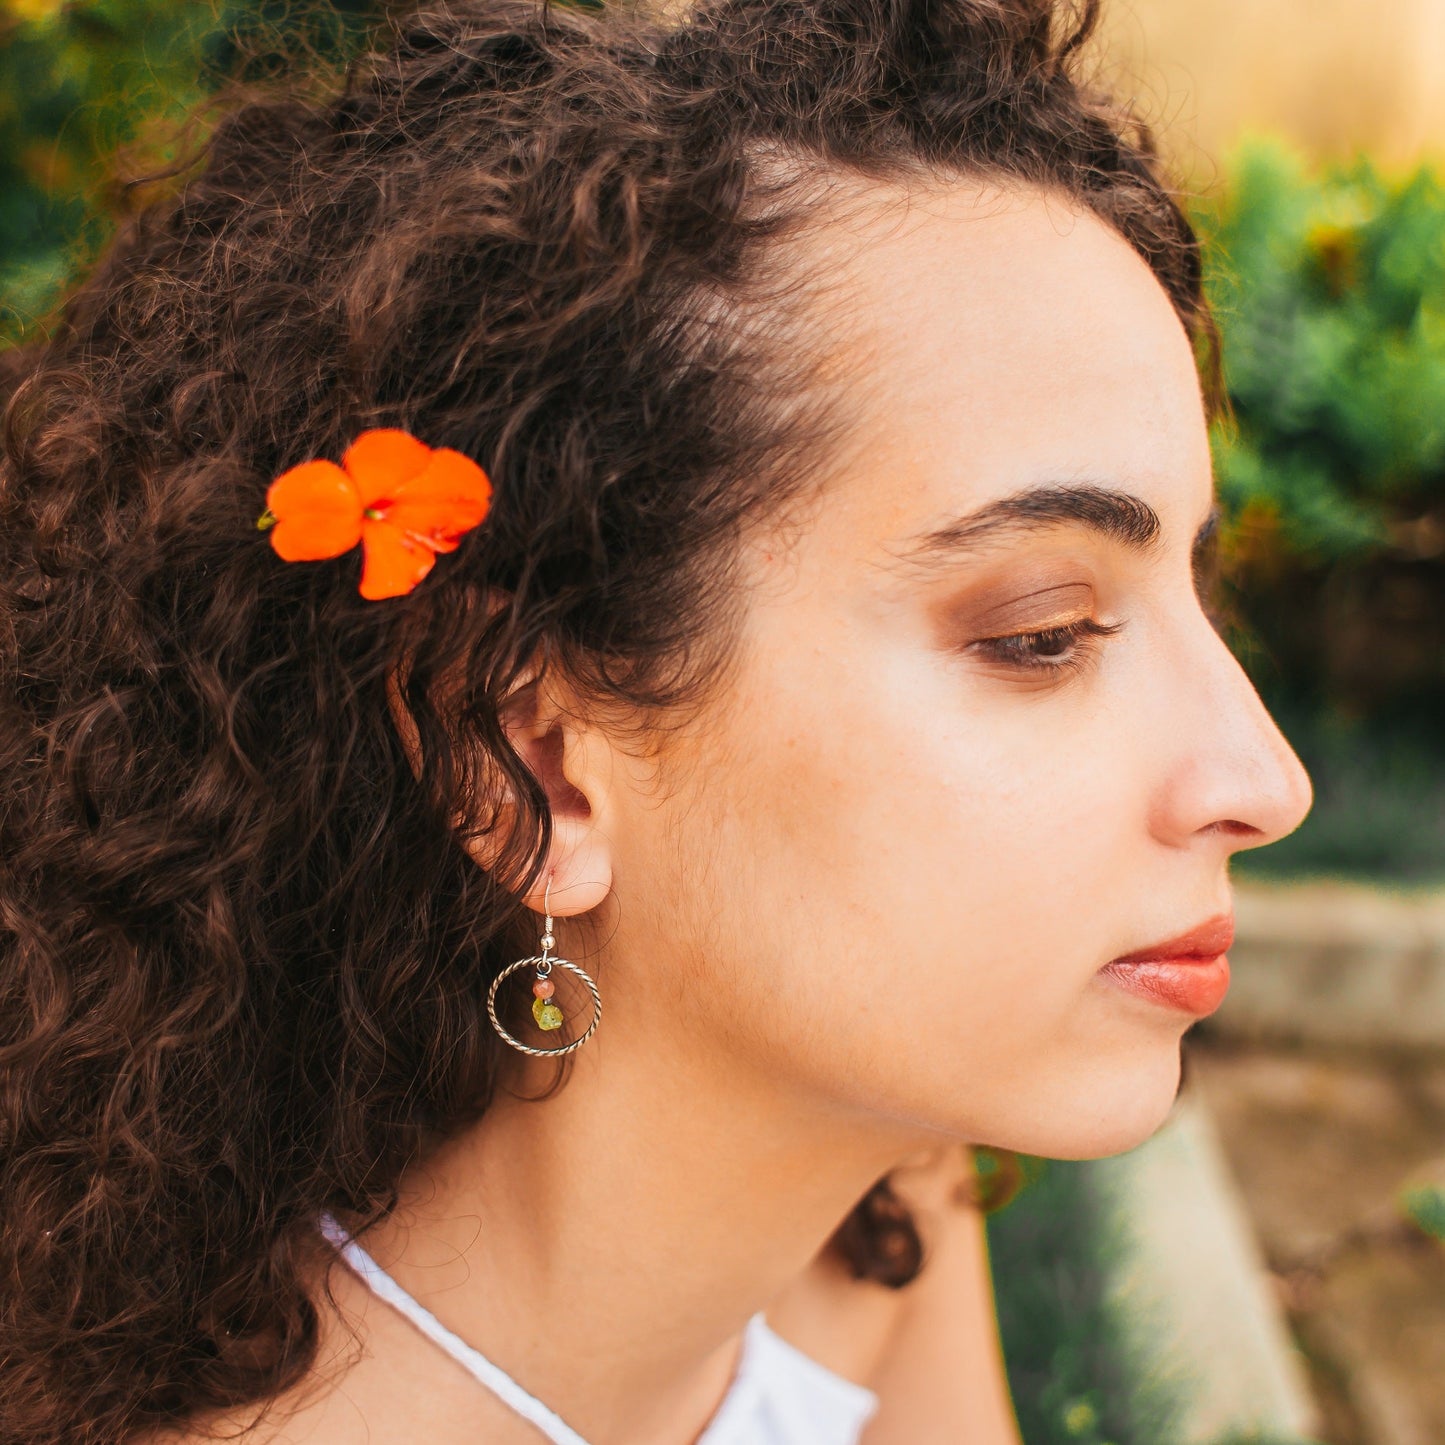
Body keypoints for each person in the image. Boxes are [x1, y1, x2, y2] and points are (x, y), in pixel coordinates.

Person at [0, 0, 1314, 1441]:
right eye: (1040, 637)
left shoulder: (876, 1204)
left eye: (1198, 584)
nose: (1263, 779)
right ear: (531, 771)